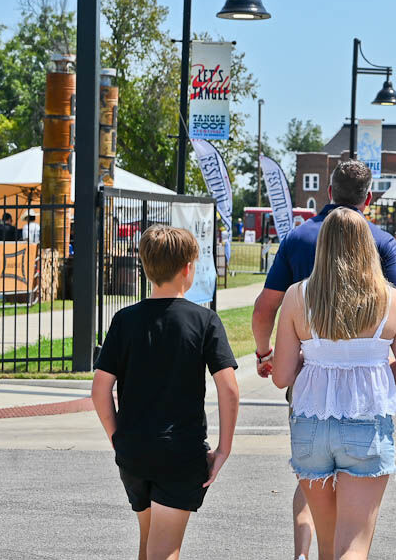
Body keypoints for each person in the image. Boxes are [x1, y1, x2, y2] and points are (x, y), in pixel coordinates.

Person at [252, 160, 396, 560]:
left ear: (328, 192)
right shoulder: (385, 243)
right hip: (366, 399)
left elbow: (264, 308)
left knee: (314, 485)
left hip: (310, 388)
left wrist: (264, 352)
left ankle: (301, 552)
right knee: (353, 540)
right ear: (368, 198)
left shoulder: (297, 240)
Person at [91, 225, 240, 560]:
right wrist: (223, 449)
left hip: (133, 450)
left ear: (146, 267)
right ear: (188, 268)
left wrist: (117, 437)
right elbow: (229, 389)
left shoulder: (124, 320)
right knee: (164, 550)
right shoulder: (204, 321)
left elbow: (100, 390)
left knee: (148, 544)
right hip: (180, 451)